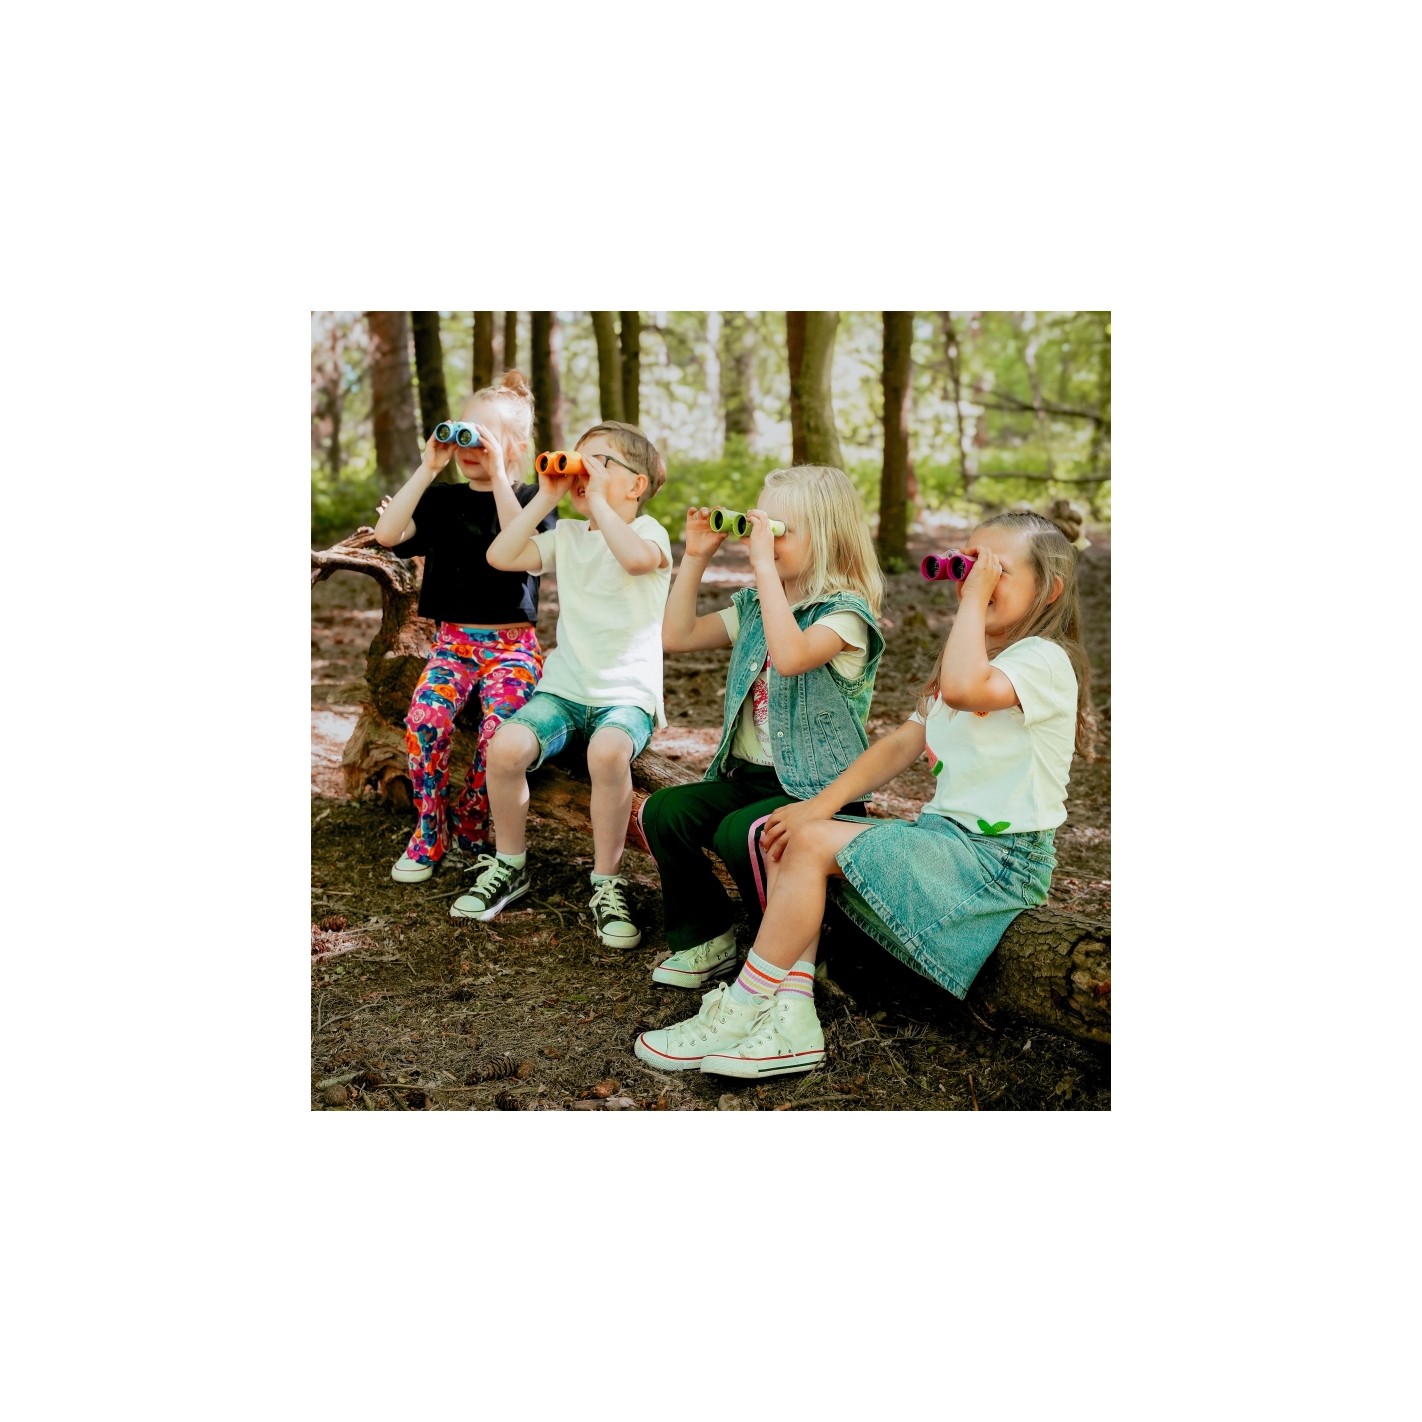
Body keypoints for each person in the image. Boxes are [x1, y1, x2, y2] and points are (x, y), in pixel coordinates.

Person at [635, 509, 1095, 1076]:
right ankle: (793, 1017)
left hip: (1000, 860)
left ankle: (742, 1004)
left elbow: (962, 688)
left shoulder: (1045, 659)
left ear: (1049, 590)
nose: (972, 579)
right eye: (968, 565)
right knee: (791, 836)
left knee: (808, 845)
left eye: (994, 569)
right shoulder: (977, 655)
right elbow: (900, 744)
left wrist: (973, 602)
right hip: (945, 842)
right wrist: (816, 807)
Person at [639, 464, 885, 994]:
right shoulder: (755, 607)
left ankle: (801, 951)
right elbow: (676, 636)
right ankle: (709, 936)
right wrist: (696, 557)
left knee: (744, 833)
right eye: (759, 525)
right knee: (664, 811)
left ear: (827, 537)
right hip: (752, 777)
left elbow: (791, 656)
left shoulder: (845, 616)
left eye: (779, 530)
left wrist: (762, 570)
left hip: (819, 789)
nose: (763, 540)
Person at [448, 421, 671, 949]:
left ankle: (607, 880)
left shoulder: (649, 533)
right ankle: (510, 863)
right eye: (578, 461)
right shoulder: (567, 535)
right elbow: (501, 556)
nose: (582, 472)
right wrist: (546, 497)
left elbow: (636, 560)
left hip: (626, 696)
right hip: (564, 691)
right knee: (505, 747)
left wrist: (599, 505)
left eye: (599, 463)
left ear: (636, 485)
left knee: (608, 753)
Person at [372, 372, 552, 884]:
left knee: (501, 732)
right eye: (463, 432)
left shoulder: (532, 500)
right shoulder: (443, 500)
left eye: (484, 438)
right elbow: (387, 534)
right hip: (453, 645)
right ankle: (429, 829)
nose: (469, 447)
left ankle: (472, 817)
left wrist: (498, 476)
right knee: (425, 719)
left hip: (513, 648)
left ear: (515, 447)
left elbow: (522, 547)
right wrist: (429, 467)